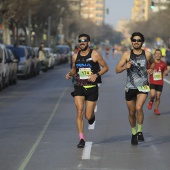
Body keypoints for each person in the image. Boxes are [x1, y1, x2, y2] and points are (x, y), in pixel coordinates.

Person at [65, 33, 109, 148]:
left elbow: (105, 67)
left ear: (88, 42)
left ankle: (92, 117)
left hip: (92, 88)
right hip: (79, 86)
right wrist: (70, 74)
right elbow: (74, 70)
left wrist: (96, 74)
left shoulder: (95, 54)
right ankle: (81, 139)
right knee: (79, 111)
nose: (82, 43)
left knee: (88, 116)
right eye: (80, 41)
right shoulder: (75, 56)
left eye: (84, 41)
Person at [115, 32, 155, 145]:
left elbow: (152, 63)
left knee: (138, 108)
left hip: (143, 85)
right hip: (130, 86)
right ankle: (133, 132)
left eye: (138, 40)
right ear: (131, 41)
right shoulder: (127, 54)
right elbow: (117, 70)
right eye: (134, 40)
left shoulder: (147, 54)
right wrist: (124, 67)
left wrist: (151, 69)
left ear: (142, 42)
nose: (136, 42)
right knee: (132, 112)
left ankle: (140, 131)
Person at [147, 49, 168, 115]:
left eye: (159, 53)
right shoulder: (151, 63)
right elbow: (147, 70)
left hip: (160, 82)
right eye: (156, 53)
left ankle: (156, 109)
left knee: (158, 96)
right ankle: (151, 101)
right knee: (153, 95)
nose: (158, 55)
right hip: (152, 81)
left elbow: (165, 72)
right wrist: (149, 71)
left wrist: (166, 73)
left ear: (161, 55)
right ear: (154, 55)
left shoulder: (164, 64)